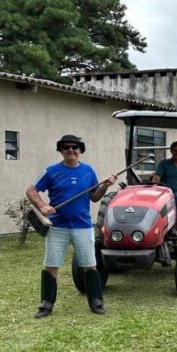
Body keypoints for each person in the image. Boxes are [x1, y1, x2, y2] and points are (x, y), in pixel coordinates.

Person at [25, 135, 117, 318]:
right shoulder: (51, 171)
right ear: (61, 151)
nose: (71, 150)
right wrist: (42, 206)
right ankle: (46, 304)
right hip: (57, 227)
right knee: (51, 265)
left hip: (82, 227)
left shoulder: (88, 171)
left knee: (90, 265)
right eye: (66, 147)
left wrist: (105, 186)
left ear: (80, 150)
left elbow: (94, 197)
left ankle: (96, 302)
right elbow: (31, 190)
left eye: (75, 147)